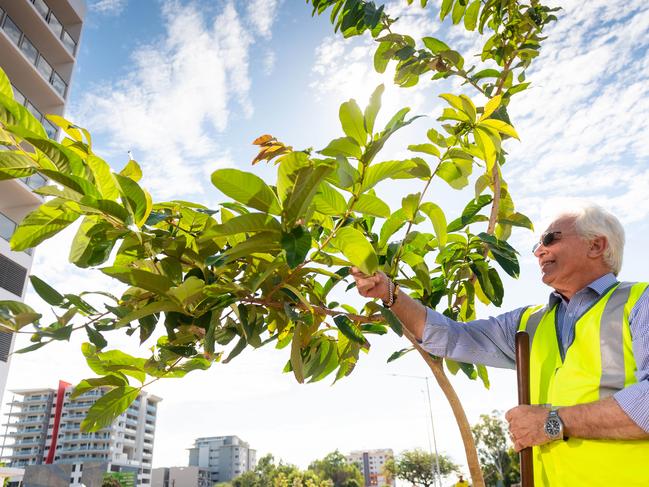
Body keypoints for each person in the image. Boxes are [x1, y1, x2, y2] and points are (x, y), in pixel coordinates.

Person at [351, 203, 649, 487]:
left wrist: (552, 422)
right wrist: (388, 292)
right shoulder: (528, 323)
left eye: (549, 238)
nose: (539, 251)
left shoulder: (640, 302)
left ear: (596, 246)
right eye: (536, 246)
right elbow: (451, 337)